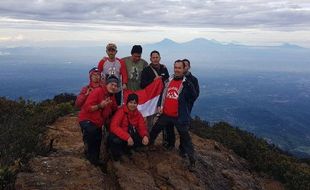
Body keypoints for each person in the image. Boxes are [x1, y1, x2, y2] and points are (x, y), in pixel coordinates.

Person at [149, 60, 198, 171]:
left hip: (179, 117)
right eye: (175, 67)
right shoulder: (168, 81)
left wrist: (185, 106)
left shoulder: (186, 83)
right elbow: (163, 94)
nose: (177, 69)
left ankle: (192, 161)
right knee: (155, 130)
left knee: (186, 138)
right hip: (166, 114)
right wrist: (159, 106)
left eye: (179, 68)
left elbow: (193, 96)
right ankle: (147, 146)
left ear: (183, 69)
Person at [78, 75, 119, 166]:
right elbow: (87, 107)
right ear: (107, 84)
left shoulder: (111, 96)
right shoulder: (98, 91)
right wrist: (100, 106)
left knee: (98, 139)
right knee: (92, 134)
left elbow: (115, 108)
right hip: (87, 119)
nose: (114, 87)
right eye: (112, 84)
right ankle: (88, 158)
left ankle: (94, 160)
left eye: (116, 86)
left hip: (98, 122)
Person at [108, 93, 149, 161]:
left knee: (144, 139)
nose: (132, 105)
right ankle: (116, 157)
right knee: (115, 140)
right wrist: (127, 137)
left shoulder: (138, 114)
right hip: (121, 136)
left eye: (135, 103)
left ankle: (129, 151)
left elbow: (142, 127)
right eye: (131, 102)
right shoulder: (121, 111)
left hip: (130, 136)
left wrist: (145, 135)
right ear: (127, 102)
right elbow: (113, 127)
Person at [140, 50, 169, 132]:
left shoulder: (164, 68)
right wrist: (153, 81)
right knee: (150, 119)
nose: (155, 59)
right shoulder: (146, 70)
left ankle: (164, 139)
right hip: (151, 99)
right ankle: (149, 137)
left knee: (163, 119)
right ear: (150, 59)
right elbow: (142, 85)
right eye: (153, 58)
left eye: (157, 57)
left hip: (162, 97)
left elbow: (167, 82)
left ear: (160, 58)